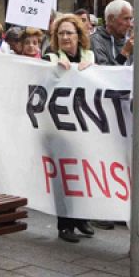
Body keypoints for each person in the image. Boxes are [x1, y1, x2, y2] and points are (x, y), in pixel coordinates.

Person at [44, 13, 97, 243]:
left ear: (79, 35)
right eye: (61, 33)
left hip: (83, 127)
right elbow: (41, 87)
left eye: (69, 32)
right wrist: (55, 70)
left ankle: (81, 217)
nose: (65, 37)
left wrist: (92, 69)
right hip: (58, 128)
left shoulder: (90, 56)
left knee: (82, 174)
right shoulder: (51, 57)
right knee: (62, 177)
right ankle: (64, 224)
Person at [92, 0, 134, 66]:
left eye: (130, 19)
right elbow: (105, 74)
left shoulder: (128, 41)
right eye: (126, 19)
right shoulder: (96, 41)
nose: (130, 24)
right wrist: (124, 53)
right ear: (111, 19)